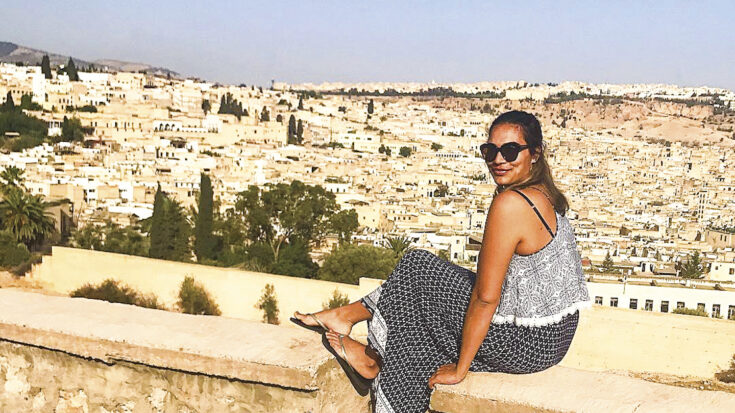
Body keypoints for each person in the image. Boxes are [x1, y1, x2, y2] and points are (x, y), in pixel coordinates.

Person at [293, 110, 591, 412]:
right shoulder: (546, 194)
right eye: (490, 151)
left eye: (510, 150)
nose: (498, 160)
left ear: (535, 153)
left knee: (416, 268)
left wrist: (461, 368)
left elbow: (486, 298)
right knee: (421, 278)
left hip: (525, 343)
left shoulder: (511, 203)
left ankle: (373, 357)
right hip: (553, 338)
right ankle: (352, 325)